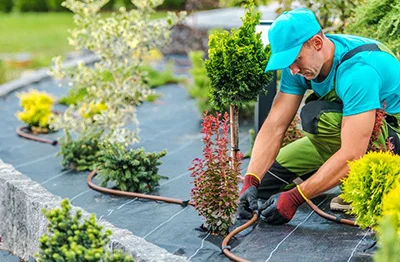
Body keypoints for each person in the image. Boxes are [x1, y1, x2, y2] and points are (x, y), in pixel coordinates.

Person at [237, 8, 400, 225]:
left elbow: (353, 152)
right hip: (347, 134)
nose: (293, 69)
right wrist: (251, 181)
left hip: (389, 141)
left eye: (296, 59)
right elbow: (275, 125)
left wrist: (296, 197)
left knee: (318, 116)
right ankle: (325, 171)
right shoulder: (301, 66)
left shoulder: (358, 70)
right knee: (265, 184)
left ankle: (358, 188)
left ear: (316, 43)